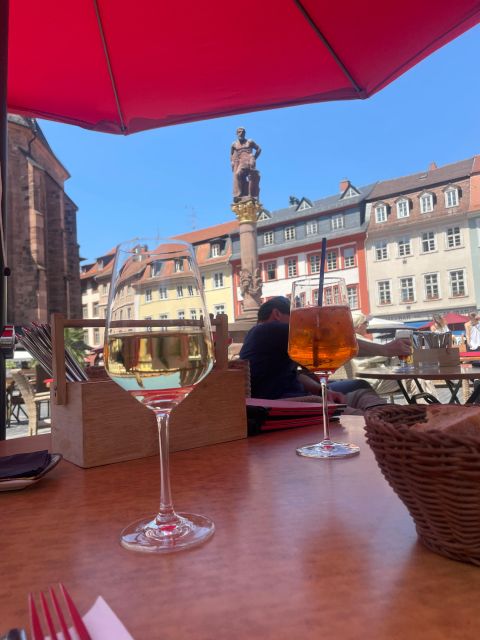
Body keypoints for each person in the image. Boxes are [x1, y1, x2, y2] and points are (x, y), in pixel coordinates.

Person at [239, 298, 411, 413]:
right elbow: (334, 341)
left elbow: (294, 376)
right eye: (296, 317)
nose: (300, 323)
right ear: (277, 314)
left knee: (361, 393)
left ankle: (394, 424)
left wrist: (324, 391)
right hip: (283, 405)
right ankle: (393, 431)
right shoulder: (266, 330)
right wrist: (385, 350)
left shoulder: (267, 338)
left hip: (297, 396)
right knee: (359, 414)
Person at [231, 127, 261, 202]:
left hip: (250, 159)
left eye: (243, 132)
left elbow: (259, 149)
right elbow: (232, 154)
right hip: (241, 162)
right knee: (238, 174)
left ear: (245, 133)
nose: (241, 133)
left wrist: (254, 157)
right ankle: (239, 194)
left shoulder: (249, 141)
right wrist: (232, 161)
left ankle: (252, 194)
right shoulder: (234, 144)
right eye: (239, 132)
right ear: (237, 133)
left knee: (251, 176)